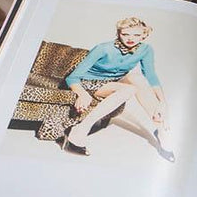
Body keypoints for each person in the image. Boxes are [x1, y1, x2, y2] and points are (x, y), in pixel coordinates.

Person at [59, 17, 175, 161]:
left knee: (137, 79)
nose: (131, 39)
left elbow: (151, 76)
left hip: (113, 81)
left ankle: (162, 130)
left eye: (136, 35)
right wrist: (82, 94)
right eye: (125, 34)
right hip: (88, 82)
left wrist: (163, 102)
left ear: (144, 35)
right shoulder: (103, 48)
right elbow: (72, 77)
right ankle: (80, 130)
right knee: (129, 89)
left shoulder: (145, 49)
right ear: (118, 33)